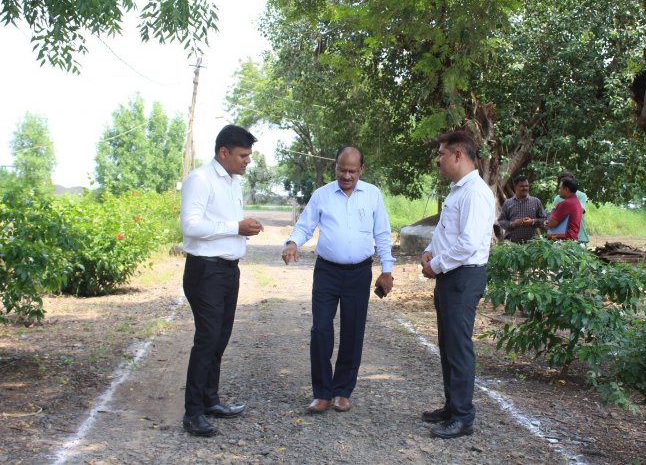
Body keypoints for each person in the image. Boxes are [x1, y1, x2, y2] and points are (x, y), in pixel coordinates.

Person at [281, 146, 395, 414]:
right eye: (342, 169)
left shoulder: (373, 195)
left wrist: (387, 270)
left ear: (361, 170)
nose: (346, 175)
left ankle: (343, 391)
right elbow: (305, 225)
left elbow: (382, 234)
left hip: (359, 272)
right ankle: (322, 393)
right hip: (327, 272)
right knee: (320, 329)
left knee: (353, 331)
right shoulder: (322, 195)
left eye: (352, 171)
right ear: (335, 167)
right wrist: (293, 243)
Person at [180, 124, 265, 437]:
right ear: (223, 152)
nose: (247, 161)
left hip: (228, 270)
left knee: (220, 338)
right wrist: (235, 227)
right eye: (243, 156)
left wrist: (243, 229)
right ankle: (193, 413)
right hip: (205, 271)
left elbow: (226, 225)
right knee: (207, 338)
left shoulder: (233, 181)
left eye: (249, 156)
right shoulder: (200, 180)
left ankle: (210, 400)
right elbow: (191, 226)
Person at [420, 130, 495, 439]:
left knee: (459, 347)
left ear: (458, 155)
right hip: (452, 275)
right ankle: (453, 406)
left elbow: (468, 243)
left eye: (441, 153)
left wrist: (435, 266)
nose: (438, 159)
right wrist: (430, 251)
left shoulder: (476, 192)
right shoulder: (458, 190)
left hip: (463, 277)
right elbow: (446, 231)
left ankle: (463, 417)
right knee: (449, 345)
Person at [497, 175, 547, 243]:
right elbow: (501, 221)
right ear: (515, 187)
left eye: (527, 186)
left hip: (532, 245)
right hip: (513, 244)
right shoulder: (507, 203)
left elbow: (544, 220)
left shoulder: (536, 201)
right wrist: (513, 224)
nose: (525, 188)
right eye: (522, 186)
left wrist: (532, 221)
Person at [551, 172, 590, 247]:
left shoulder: (581, 195)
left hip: (579, 235)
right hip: (560, 236)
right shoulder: (558, 197)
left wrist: (564, 207)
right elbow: (552, 216)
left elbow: (580, 210)